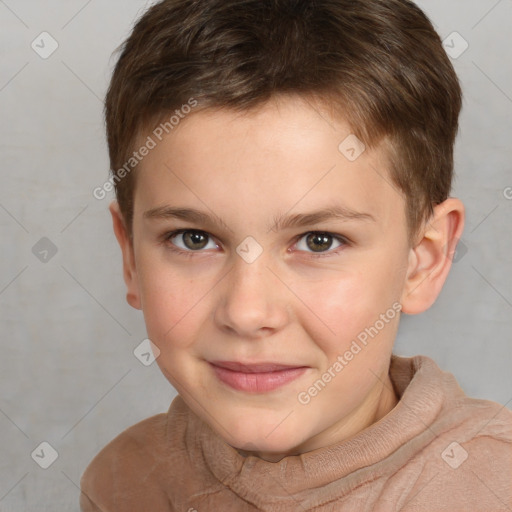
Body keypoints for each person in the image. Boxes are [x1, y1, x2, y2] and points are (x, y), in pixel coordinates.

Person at [80, 0, 512, 510]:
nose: (247, 312)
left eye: (319, 241)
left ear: (423, 259)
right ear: (130, 255)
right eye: (194, 239)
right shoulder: (122, 481)